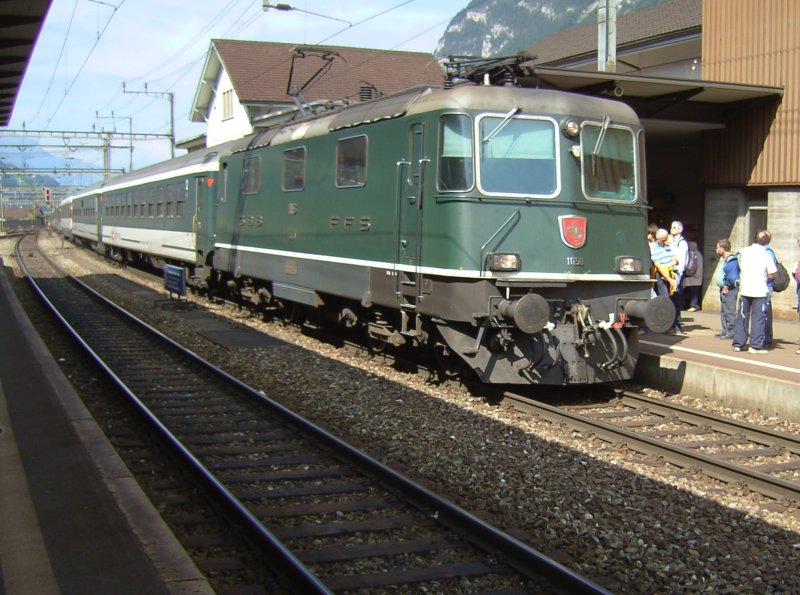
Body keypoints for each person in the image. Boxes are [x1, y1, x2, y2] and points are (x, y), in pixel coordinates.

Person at [732, 230, 777, 354]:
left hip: (744, 288)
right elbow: (772, 273)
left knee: (742, 316)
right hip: (760, 290)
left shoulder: (743, 252)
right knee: (758, 318)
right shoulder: (766, 254)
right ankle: (755, 346)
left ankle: (739, 344)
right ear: (767, 241)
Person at [714, 238, 738, 339]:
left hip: (729, 289)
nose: (716, 250)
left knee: (729, 310)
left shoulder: (732, 260)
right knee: (724, 310)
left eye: (717, 248)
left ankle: (731, 331)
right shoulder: (726, 260)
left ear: (722, 249)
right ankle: (725, 329)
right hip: (724, 288)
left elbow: (732, 276)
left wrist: (726, 285)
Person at [668, 221, 689, 333]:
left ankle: (676, 326)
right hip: (670, 274)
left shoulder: (682, 243)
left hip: (676, 274)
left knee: (676, 300)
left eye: (675, 227)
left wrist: (677, 278)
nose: (672, 229)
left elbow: (681, 261)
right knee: (671, 300)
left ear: (680, 230)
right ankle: (672, 325)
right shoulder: (671, 241)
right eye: (671, 227)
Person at [650, 228, 678, 299]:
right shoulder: (653, 247)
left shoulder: (667, 246)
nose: (665, 242)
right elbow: (658, 266)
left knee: (674, 296)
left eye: (666, 239)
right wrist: (670, 280)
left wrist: (672, 262)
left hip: (670, 271)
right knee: (665, 297)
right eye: (663, 240)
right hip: (661, 274)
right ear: (658, 239)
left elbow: (674, 258)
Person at [683, 241, 703, 311]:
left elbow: (700, 266)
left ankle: (693, 305)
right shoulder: (690, 254)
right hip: (690, 276)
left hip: (694, 277)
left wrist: (697, 275)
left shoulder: (697, 254)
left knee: (694, 292)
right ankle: (691, 304)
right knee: (689, 291)